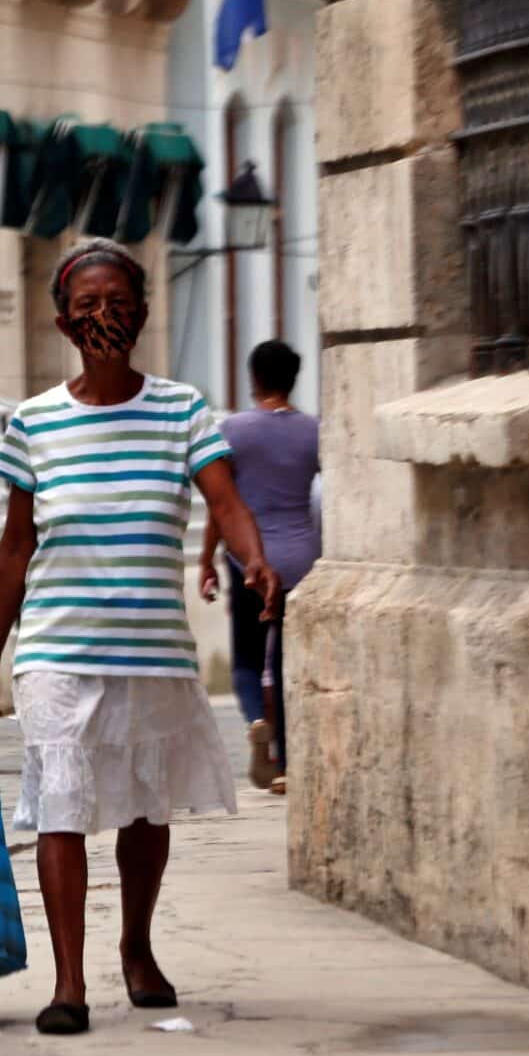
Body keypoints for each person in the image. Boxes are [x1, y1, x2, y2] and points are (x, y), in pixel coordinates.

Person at [0, 238, 280, 1037]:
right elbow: (14, 548)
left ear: (141, 314)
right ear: (63, 322)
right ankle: (70, 983)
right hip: (56, 649)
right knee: (62, 803)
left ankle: (136, 948)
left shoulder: (182, 410)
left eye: (118, 303)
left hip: (150, 649)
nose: (104, 316)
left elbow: (226, 500)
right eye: (88, 305)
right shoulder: (33, 423)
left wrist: (254, 559)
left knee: (143, 809)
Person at [200, 340, 320, 797]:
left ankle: (255, 719)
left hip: (248, 558)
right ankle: (287, 764)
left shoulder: (231, 429)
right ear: (294, 378)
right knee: (287, 664)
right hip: (303, 560)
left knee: (248, 660)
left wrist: (206, 557)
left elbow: (220, 503)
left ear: (254, 378)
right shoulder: (314, 431)